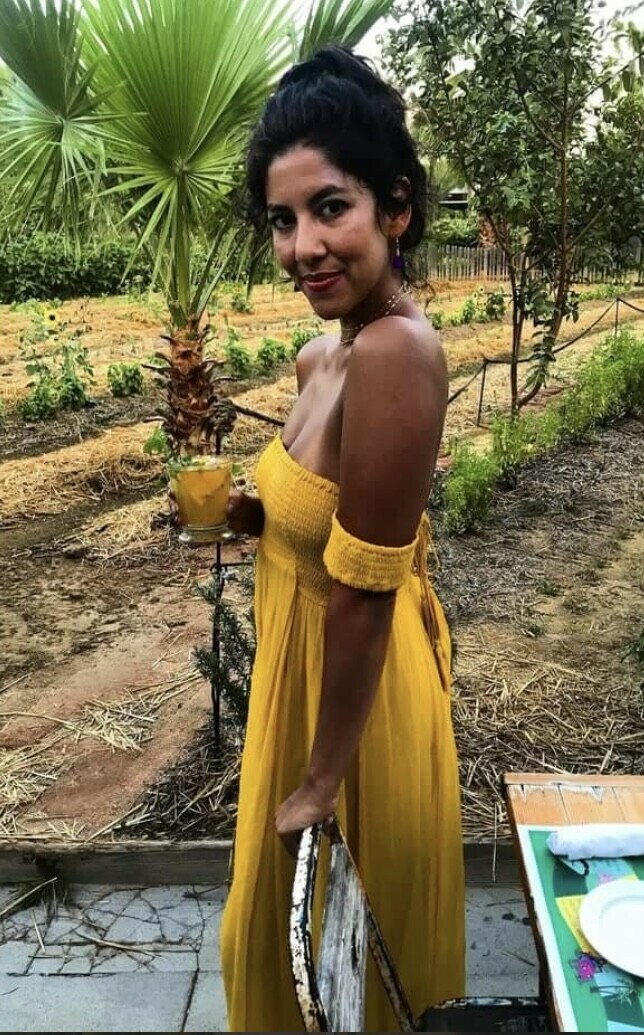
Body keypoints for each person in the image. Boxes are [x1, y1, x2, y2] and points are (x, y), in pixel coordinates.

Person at [220, 45, 465, 1033]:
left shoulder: (398, 353)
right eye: (283, 220)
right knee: (275, 959)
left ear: (395, 207)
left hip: (351, 711)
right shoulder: (321, 354)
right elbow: (318, 517)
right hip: (299, 681)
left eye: (331, 208)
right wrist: (252, 516)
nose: (303, 246)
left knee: (326, 976)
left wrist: (322, 782)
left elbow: (363, 590)